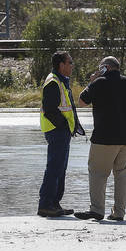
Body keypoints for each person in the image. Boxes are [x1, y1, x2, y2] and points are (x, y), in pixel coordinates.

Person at [75, 56, 126, 221]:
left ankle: (97, 210)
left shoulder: (98, 83)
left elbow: (81, 102)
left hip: (103, 139)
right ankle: (119, 213)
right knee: (122, 176)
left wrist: (92, 81)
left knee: (98, 173)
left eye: (101, 68)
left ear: (105, 67)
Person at [37, 51, 85, 218]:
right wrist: (63, 126)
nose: (72, 65)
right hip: (56, 131)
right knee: (54, 168)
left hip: (62, 132)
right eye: (70, 62)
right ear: (61, 65)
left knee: (60, 169)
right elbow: (50, 110)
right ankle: (45, 205)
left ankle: (54, 204)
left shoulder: (61, 81)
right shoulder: (53, 82)